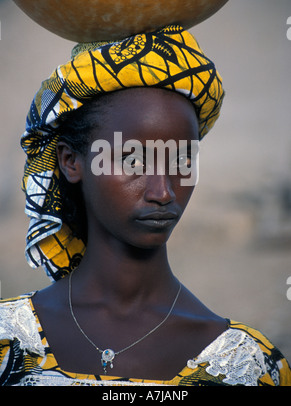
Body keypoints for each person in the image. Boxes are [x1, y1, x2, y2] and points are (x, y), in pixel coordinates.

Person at [0, 25, 290, 386]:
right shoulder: (6, 342)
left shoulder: (248, 367)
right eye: (134, 161)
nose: (164, 192)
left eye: (183, 160)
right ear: (71, 162)